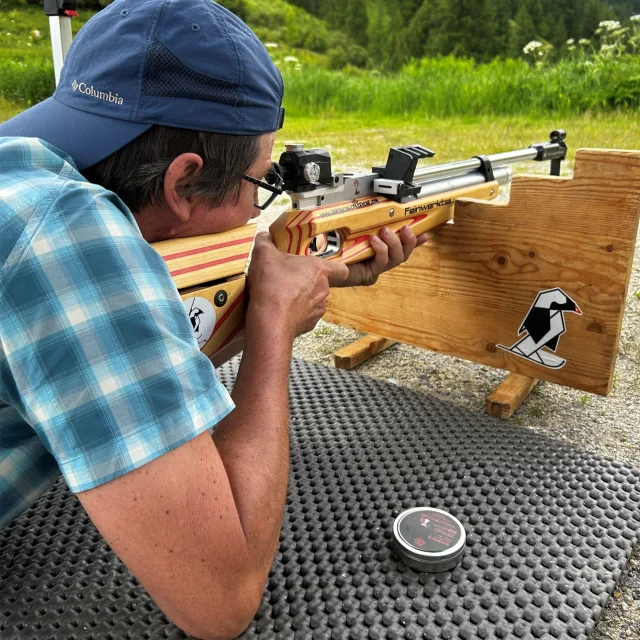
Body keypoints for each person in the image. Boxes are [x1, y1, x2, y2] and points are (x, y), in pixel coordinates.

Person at [0, 1, 426, 638]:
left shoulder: (22, 166)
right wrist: (274, 326)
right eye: (262, 180)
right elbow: (219, 600)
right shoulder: (64, 232)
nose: (261, 202)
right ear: (183, 182)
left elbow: (128, 353)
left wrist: (311, 277)